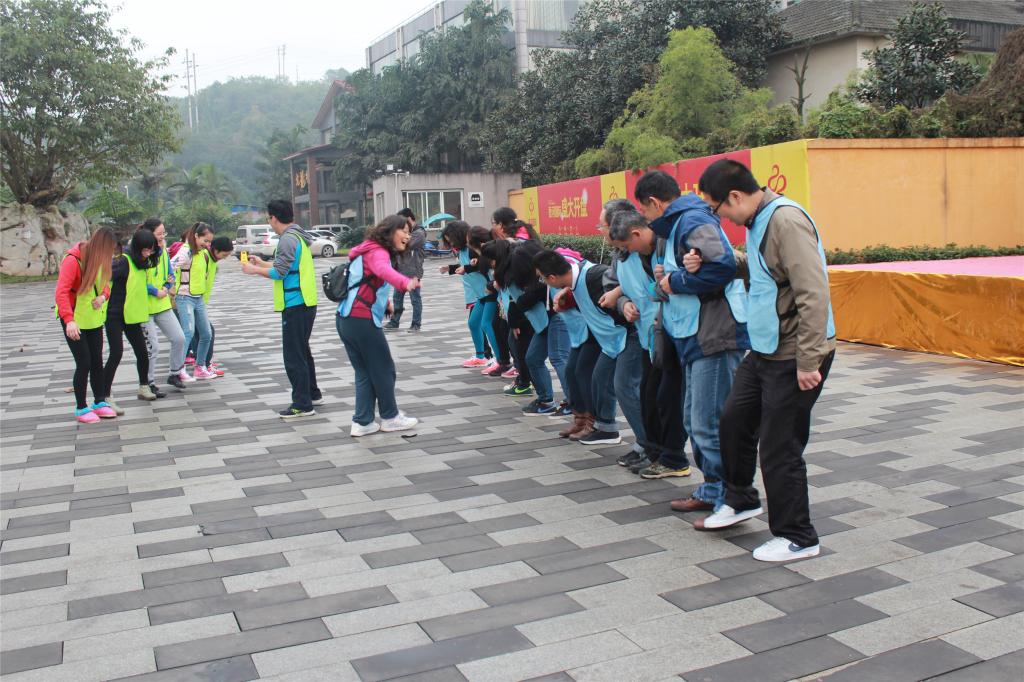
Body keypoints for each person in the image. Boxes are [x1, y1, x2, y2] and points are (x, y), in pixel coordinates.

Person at [689, 159, 836, 562]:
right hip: (766, 349)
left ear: (735, 196)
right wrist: (715, 262)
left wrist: (809, 361)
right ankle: (740, 499)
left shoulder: (785, 220)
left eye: (718, 208)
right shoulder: (759, 220)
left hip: (795, 353)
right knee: (733, 420)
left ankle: (798, 536)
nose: (721, 217)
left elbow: (813, 293)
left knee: (779, 445)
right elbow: (765, 270)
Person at [635, 170, 748, 515]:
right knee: (694, 419)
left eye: (644, 210)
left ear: (654, 202)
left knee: (707, 422)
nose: (645, 218)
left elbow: (722, 268)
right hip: (694, 334)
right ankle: (714, 489)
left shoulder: (692, 220)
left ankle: (729, 496)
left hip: (713, 333)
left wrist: (676, 281)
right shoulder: (677, 226)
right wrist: (669, 279)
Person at [606, 209, 692, 478]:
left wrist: (661, 283)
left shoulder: (669, 246)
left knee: (668, 400)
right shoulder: (625, 256)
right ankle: (656, 454)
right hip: (650, 336)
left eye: (625, 245)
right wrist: (623, 302)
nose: (624, 250)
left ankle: (674, 458)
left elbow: (677, 288)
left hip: (672, 334)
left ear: (635, 232)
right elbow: (622, 287)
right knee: (649, 396)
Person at [337, 215, 421, 436]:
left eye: (409, 232)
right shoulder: (378, 251)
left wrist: (385, 303)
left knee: (365, 372)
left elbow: (367, 280)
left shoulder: (366, 249)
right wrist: (405, 282)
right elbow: (383, 270)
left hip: (346, 318)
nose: (407, 236)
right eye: (404, 231)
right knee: (384, 369)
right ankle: (390, 417)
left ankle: (362, 422)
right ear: (390, 231)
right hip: (361, 319)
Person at [535, 249, 629, 446]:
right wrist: (567, 296)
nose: (544, 283)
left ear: (552, 277)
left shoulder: (594, 275)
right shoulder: (575, 280)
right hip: (605, 338)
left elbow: (627, 286)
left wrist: (623, 306)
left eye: (542, 278)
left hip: (623, 337)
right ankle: (586, 421)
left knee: (604, 380)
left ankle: (604, 427)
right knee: (575, 372)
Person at [241, 200, 324, 420]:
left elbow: (280, 273)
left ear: (274, 218)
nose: (269, 222)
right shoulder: (298, 236)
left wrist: (253, 270)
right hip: (306, 302)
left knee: (294, 356)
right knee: (302, 351)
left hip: (295, 303)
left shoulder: (287, 239)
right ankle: (312, 394)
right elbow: (286, 266)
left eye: (268, 218)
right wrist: (261, 263)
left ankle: (302, 404)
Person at [54, 227, 119, 423]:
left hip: (93, 319)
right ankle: (81, 407)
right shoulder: (73, 261)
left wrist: (102, 297)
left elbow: (106, 285)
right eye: (109, 250)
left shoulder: (101, 262)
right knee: (84, 363)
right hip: (74, 320)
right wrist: (69, 320)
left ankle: (99, 401)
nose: (111, 255)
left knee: (97, 361)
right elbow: (61, 292)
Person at [102, 230, 157, 412]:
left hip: (131, 315)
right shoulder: (123, 261)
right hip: (114, 315)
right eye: (145, 250)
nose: (148, 253)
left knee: (142, 352)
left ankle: (144, 386)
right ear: (137, 248)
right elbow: (104, 275)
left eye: (150, 250)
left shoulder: (142, 263)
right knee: (116, 353)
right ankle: (105, 396)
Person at [439, 221, 497, 368]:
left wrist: (467, 268)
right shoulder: (462, 250)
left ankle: (501, 359)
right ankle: (480, 356)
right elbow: (467, 265)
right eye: (448, 241)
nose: (451, 244)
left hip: (490, 292)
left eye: (451, 240)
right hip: (480, 295)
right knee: (473, 323)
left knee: (486, 324)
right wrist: (450, 268)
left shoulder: (472, 248)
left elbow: (484, 264)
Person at [138, 218, 185, 394]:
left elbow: (170, 275)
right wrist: (154, 291)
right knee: (152, 347)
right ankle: (148, 382)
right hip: (144, 308)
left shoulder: (163, 251)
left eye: (163, 233)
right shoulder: (139, 253)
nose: (162, 237)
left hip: (163, 304)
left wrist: (165, 288)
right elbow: (137, 280)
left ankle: (175, 373)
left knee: (179, 338)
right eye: (159, 234)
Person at [170, 223, 215, 381]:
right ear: (196, 236)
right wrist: (169, 286)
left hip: (198, 297)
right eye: (205, 240)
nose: (207, 244)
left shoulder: (203, 253)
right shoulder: (186, 251)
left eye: (209, 242)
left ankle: (200, 367)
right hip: (184, 298)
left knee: (206, 334)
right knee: (187, 333)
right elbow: (170, 266)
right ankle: (178, 369)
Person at [184, 236, 233, 377]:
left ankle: (202, 364)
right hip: (190, 300)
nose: (224, 258)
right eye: (224, 254)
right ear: (215, 250)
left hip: (198, 302)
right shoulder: (203, 257)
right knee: (206, 333)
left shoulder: (211, 259)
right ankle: (203, 365)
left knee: (200, 334)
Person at [469, 226, 512, 377]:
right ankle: (490, 357)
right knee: (476, 323)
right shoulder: (481, 254)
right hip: (485, 295)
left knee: (488, 324)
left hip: (493, 295)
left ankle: (502, 361)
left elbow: (495, 277)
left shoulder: (495, 253)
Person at [385, 207, 425, 332]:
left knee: (415, 300)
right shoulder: (406, 233)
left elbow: (404, 245)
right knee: (397, 298)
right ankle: (394, 322)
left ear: (408, 219)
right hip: (400, 271)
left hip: (413, 273)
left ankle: (416, 324)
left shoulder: (419, 233)